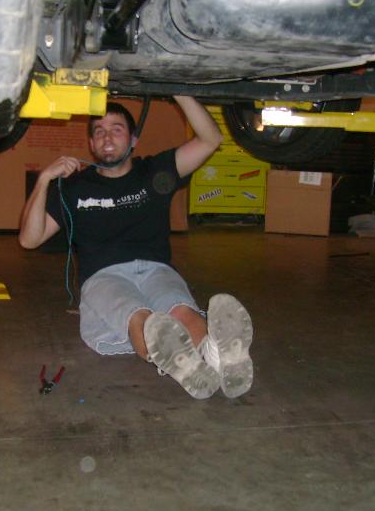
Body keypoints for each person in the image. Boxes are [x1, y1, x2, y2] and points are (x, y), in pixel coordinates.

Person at [19, 96, 253, 399]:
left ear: (133, 140)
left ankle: (218, 357)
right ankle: (187, 362)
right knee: (138, 317)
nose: (107, 137)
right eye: (99, 131)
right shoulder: (75, 187)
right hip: (103, 277)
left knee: (181, 309)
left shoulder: (155, 171)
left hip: (156, 269)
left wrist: (179, 92)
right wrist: (44, 180)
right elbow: (30, 239)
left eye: (116, 130)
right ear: (91, 144)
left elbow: (211, 140)